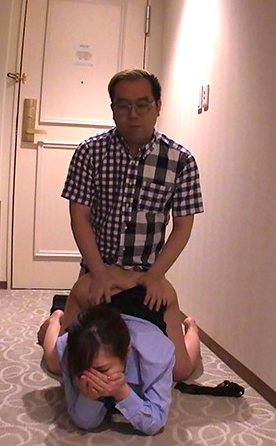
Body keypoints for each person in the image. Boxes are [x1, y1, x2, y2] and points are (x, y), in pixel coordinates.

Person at [60, 69, 203, 380]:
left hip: (147, 277)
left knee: (179, 371)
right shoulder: (89, 153)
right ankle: (57, 318)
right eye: (123, 105)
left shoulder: (181, 161)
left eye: (143, 104)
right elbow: (79, 216)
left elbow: (182, 226)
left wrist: (156, 274)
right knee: (64, 365)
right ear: (112, 108)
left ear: (158, 106)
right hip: (99, 272)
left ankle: (189, 329)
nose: (133, 115)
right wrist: (98, 273)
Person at [38, 302, 200, 435]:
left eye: (102, 370)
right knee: (53, 362)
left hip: (149, 314)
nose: (92, 376)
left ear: (127, 352)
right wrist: (89, 398)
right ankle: (55, 318)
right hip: (100, 313)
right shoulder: (69, 351)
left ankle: (191, 327)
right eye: (83, 370)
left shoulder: (158, 355)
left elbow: (155, 422)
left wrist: (123, 392)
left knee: (183, 369)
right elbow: (82, 420)